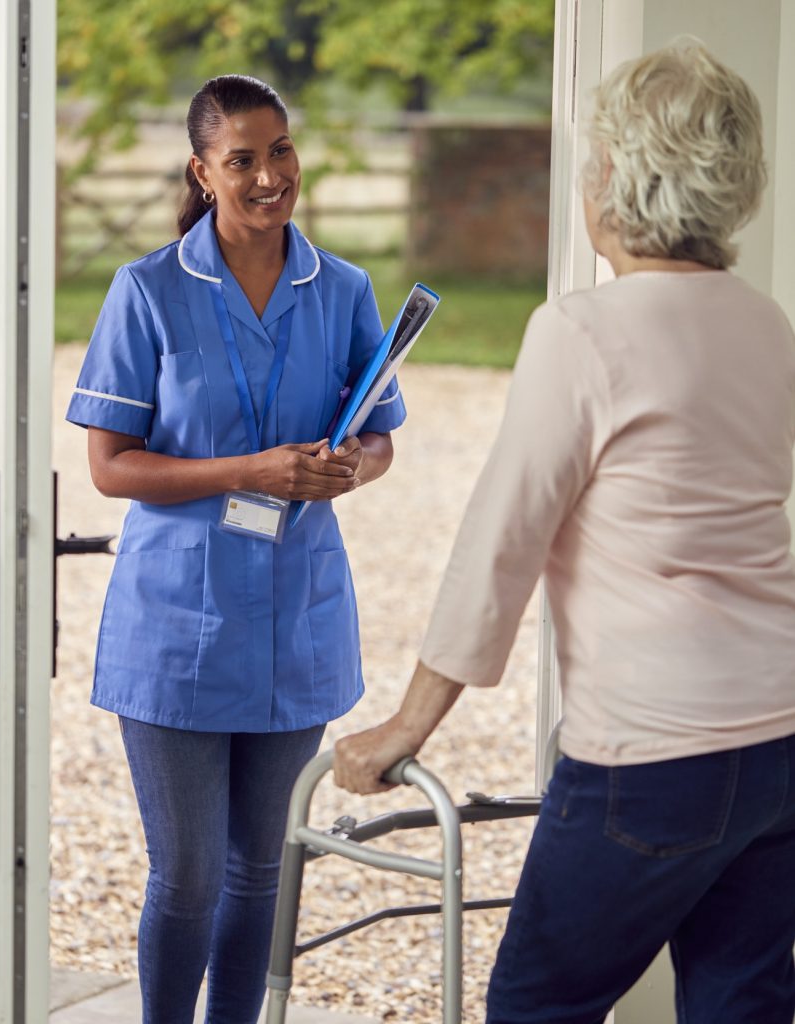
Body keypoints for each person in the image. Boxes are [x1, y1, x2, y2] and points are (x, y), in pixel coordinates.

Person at [334, 39, 795, 1024]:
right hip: (777, 738)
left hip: (653, 751)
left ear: (621, 180)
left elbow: (500, 542)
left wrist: (406, 726)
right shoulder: (765, 324)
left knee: (536, 1005)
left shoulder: (581, 332)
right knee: (741, 1003)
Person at [66, 74, 406, 1024]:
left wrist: (355, 470)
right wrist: (247, 470)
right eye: (243, 159)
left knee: (259, 872)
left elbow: (379, 433)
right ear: (203, 172)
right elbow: (110, 467)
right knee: (186, 875)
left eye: (280, 151)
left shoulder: (343, 290)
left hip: (296, 619)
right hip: (176, 625)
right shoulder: (148, 291)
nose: (268, 176)